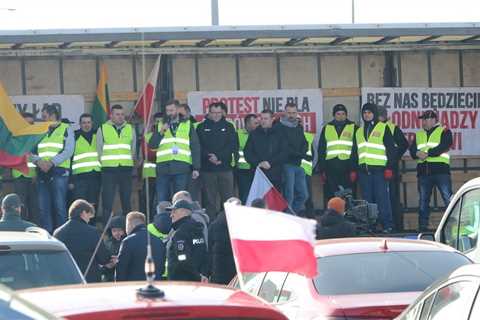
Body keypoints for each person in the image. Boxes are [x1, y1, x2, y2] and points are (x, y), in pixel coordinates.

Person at [31, 105, 74, 233]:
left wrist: (51, 163)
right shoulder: (40, 130)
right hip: (42, 173)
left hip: (59, 172)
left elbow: (69, 150)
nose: (43, 119)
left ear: (52, 115)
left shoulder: (66, 128)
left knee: (60, 207)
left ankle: (62, 237)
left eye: (44, 116)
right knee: (44, 208)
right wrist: (38, 161)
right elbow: (30, 150)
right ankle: (47, 237)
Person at [148, 99, 201, 203]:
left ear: (177, 110)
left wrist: (196, 167)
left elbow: (195, 146)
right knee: (162, 199)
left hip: (181, 167)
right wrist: (161, 131)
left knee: (180, 199)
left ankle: (179, 218)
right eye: (167, 111)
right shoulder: (160, 125)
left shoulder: (188, 124)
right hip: (163, 168)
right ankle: (162, 218)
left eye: (172, 110)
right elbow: (152, 145)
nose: (169, 113)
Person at [355, 103, 396, 233]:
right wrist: (354, 169)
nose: (367, 115)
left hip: (379, 171)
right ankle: (370, 226)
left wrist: (389, 167)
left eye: (369, 112)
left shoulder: (383, 127)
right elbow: (355, 152)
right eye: (365, 113)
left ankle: (387, 225)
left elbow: (391, 149)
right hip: (364, 171)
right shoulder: (359, 131)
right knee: (367, 201)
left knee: (382, 199)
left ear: (374, 114)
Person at [409, 110, 453, 231]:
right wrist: (417, 153)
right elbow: (412, 150)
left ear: (433, 120)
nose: (423, 122)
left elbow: (445, 145)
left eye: (425, 119)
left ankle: (453, 226)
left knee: (448, 199)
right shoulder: (419, 134)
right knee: (423, 201)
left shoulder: (444, 131)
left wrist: (427, 154)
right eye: (422, 119)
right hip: (424, 173)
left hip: (441, 172)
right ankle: (423, 227)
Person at [197, 102, 238, 218]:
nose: (216, 115)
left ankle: (229, 223)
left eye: (218, 113)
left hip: (225, 168)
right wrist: (209, 156)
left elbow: (232, 145)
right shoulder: (201, 127)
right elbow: (198, 146)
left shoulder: (229, 126)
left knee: (229, 199)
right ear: (209, 113)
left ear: (222, 113)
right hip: (208, 169)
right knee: (210, 201)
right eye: (213, 113)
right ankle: (211, 226)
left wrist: (219, 157)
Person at [53, 200, 110, 283]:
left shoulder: (57, 233)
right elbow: (103, 258)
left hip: (66, 279)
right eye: (89, 216)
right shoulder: (93, 232)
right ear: (83, 213)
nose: (89, 220)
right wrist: (109, 259)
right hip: (89, 279)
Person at [97, 104, 136, 221]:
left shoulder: (130, 128)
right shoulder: (102, 128)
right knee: (107, 202)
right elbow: (99, 150)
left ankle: (128, 229)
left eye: (122, 114)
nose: (120, 117)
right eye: (117, 114)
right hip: (108, 171)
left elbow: (133, 150)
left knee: (126, 201)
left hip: (126, 170)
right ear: (111, 115)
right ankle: (107, 231)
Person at [317, 104, 358, 202]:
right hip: (331, 168)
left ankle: (349, 217)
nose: (341, 116)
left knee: (349, 196)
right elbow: (321, 149)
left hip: (347, 168)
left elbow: (356, 150)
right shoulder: (327, 127)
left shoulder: (354, 127)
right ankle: (333, 216)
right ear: (334, 115)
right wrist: (322, 169)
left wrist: (354, 169)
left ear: (346, 115)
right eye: (338, 114)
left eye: (343, 114)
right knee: (332, 196)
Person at [377, 105, 409, 231]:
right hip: (379, 167)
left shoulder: (391, 127)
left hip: (390, 168)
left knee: (392, 198)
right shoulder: (371, 128)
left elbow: (404, 144)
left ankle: (395, 226)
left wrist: (394, 157)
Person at [244, 109, 287, 192]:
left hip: (275, 175)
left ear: (272, 119)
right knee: (259, 203)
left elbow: (284, 153)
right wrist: (259, 163)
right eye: (262, 118)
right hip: (258, 175)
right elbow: (247, 153)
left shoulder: (280, 133)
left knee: (274, 203)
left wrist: (270, 163)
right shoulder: (254, 134)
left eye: (266, 118)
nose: (263, 121)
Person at [166, 200, 209, 282]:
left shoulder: (180, 233)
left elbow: (182, 259)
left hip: (182, 283)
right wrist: (203, 275)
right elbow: (204, 255)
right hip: (198, 281)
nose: (171, 215)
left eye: (174, 211)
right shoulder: (198, 230)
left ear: (183, 212)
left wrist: (198, 276)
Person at [116, 211, 166, 281]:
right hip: (154, 286)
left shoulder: (127, 241)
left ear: (130, 225)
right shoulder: (159, 241)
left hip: (133, 287)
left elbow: (121, 269)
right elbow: (162, 268)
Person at [278, 103, 309, 215]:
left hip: (298, 165)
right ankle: (288, 219)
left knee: (303, 195)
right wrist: (301, 154)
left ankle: (291, 215)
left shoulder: (298, 127)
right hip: (286, 165)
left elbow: (304, 143)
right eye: (289, 112)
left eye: (294, 113)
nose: (291, 115)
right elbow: (284, 147)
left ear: (297, 113)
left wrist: (303, 152)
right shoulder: (279, 127)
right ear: (285, 113)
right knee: (288, 195)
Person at [11, 112, 39, 224]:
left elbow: (39, 156)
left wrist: (36, 173)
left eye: (31, 122)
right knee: (21, 206)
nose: (29, 124)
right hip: (19, 174)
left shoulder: (36, 137)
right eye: (26, 122)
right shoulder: (15, 136)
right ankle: (22, 230)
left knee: (34, 207)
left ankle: (35, 231)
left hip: (33, 176)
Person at [71, 113, 101, 213]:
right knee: (80, 206)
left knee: (93, 205)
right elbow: (70, 158)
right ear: (80, 124)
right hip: (79, 178)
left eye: (88, 122)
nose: (86, 125)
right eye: (84, 123)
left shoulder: (98, 135)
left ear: (92, 123)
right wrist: (70, 180)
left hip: (95, 176)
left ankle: (92, 227)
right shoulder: (74, 136)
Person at [140, 112, 163, 219]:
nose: (159, 124)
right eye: (157, 121)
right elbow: (147, 154)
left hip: (164, 172)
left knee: (161, 200)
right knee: (147, 200)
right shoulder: (147, 136)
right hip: (149, 173)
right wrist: (162, 152)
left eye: (161, 121)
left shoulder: (168, 136)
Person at [236, 114, 258, 204]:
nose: (257, 125)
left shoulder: (258, 134)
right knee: (244, 194)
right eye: (255, 123)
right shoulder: (237, 134)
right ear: (248, 123)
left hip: (255, 169)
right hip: (242, 169)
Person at [102, 215, 126, 282]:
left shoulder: (128, 242)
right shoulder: (107, 243)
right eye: (114, 231)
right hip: (110, 277)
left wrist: (119, 261)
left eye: (119, 230)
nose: (116, 233)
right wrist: (107, 265)